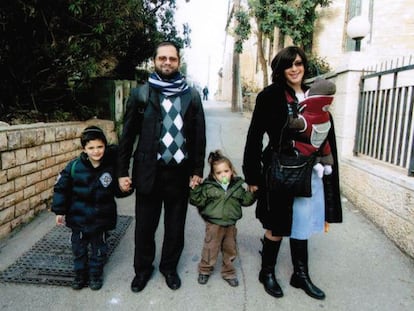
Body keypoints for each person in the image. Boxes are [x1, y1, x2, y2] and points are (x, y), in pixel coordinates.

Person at [242, 46, 342, 300]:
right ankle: (267, 272)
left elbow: (325, 131)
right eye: (289, 65)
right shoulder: (271, 96)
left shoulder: (315, 94)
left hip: (310, 171)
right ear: (281, 69)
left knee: (303, 222)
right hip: (280, 170)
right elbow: (255, 136)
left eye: (299, 63)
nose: (295, 69)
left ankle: (300, 275)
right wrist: (252, 175)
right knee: (276, 225)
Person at [117, 41, 206, 293]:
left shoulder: (191, 95)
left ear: (179, 61)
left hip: (179, 174)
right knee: (145, 227)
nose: (167, 63)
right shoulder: (141, 94)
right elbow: (127, 136)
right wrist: (122, 172)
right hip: (148, 173)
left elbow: (199, 137)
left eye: (172, 59)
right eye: (162, 58)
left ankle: (169, 268)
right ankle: (142, 270)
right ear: (154, 61)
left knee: (175, 227)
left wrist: (198, 171)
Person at [52, 126, 128, 291]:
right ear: (84, 149)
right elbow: (61, 188)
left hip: (101, 219)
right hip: (78, 219)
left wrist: (125, 188)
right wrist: (59, 211)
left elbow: (117, 191)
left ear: (105, 147)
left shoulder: (110, 167)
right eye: (91, 148)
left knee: (99, 250)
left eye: (100, 147)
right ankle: (80, 275)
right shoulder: (73, 167)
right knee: (79, 250)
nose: (96, 151)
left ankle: (95, 275)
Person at [189, 150, 256, 287]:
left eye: (226, 171)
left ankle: (228, 272)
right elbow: (198, 201)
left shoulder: (237, 187)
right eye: (219, 173)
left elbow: (245, 201)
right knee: (210, 248)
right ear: (214, 175)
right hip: (214, 225)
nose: (223, 175)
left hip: (230, 224)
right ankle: (205, 270)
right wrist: (195, 190)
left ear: (231, 171)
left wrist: (252, 193)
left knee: (230, 249)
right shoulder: (208, 187)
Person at [288, 78, 336, 178]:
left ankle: (316, 165)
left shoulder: (305, 118)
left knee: (303, 149)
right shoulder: (326, 115)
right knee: (326, 147)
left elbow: (291, 123)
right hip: (320, 143)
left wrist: (290, 113)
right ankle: (327, 165)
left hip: (307, 150)